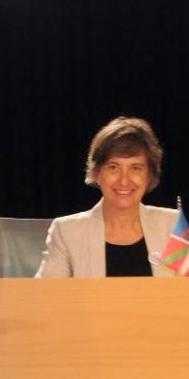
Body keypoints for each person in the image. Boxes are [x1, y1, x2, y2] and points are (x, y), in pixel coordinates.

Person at [36, 117, 178, 277]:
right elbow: (44, 297)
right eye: (113, 167)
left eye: (135, 168)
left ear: (149, 175)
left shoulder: (172, 225)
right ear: (96, 172)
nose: (124, 180)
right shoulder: (68, 232)